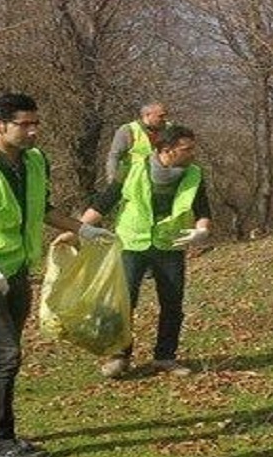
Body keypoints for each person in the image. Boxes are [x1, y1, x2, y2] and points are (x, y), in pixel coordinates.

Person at [0, 93, 114, 457]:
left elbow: (43, 208)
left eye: (36, 124)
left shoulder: (35, 162)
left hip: (18, 273)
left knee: (0, 354)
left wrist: (83, 230)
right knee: (5, 354)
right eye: (25, 124)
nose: (33, 131)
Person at [81, 124, 212, 379]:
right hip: (132, 243)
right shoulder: (132, 168)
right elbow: (105, 201)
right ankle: (119, 356)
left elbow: (203, 209)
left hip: (169, 244)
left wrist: (202, 230)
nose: (193, 153)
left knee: (172, 303)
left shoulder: (194, 174)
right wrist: (77, 230)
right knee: (124, 301)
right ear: (167, 150)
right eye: (187, 149)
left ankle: (165, 357)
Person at [105, 101, 169, 183]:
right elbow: (114, 156)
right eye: (161, 116)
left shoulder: (169, 129)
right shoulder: (128, 130)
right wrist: (112, 179)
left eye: (166, 115)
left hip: (161, 181)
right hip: (132, 182)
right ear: (147, 115)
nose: (165, 119)